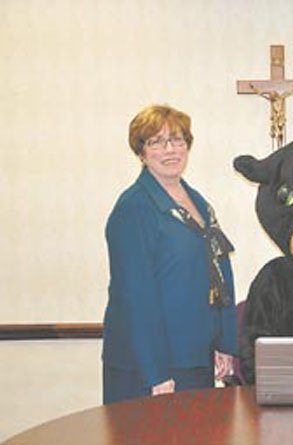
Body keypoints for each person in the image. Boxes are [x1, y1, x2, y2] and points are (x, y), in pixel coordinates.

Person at [102, 104, 238, 404]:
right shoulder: (134, 208)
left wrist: (223, 342)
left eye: (177, 140)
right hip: (151, 366)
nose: (170, 149)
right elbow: (135, 296)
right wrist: (155, 373)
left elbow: (216, 275)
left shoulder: (197, 202)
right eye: (156, 141)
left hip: (195, 358)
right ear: (141, 151)